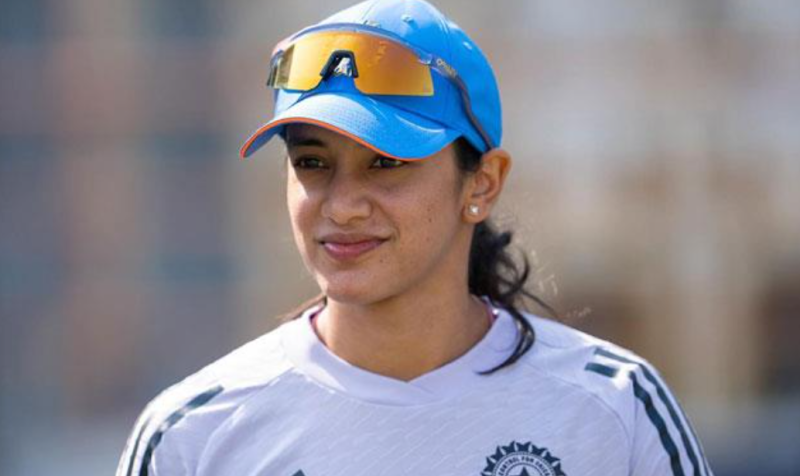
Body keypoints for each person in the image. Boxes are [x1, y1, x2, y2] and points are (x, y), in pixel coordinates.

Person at [116, 1, 714, 475]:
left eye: (386, 162)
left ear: (482, 182)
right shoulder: (193, 435)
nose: (342, 206)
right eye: (311, 163)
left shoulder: (614, 409)